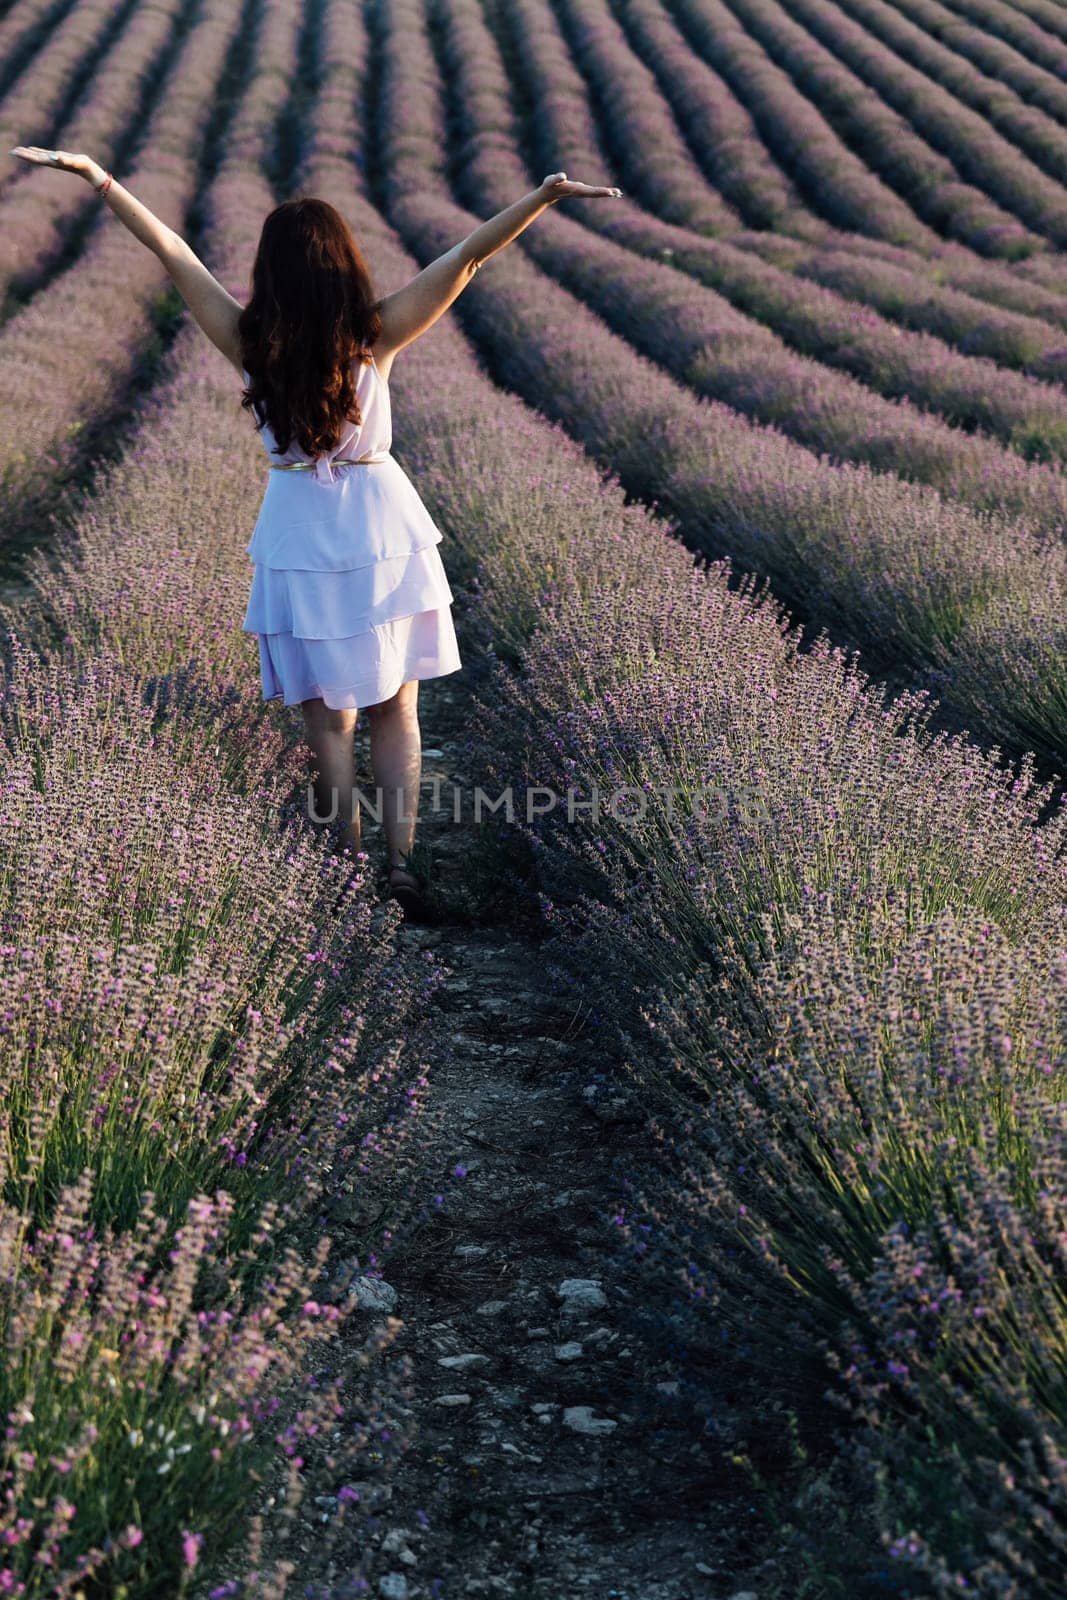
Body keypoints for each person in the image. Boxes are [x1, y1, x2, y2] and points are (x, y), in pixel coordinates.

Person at [9, 143, 622, 919]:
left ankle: (346, 865)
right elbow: (466, 257)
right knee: (396, 712)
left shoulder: (247, 340)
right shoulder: (375, 335)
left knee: (325, 724)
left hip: (297, 533)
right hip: (380, 529)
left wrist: (100, 178)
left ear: (269, 270)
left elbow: (172, 253)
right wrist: (540, 197)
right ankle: (401, 866)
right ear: (342, 265)